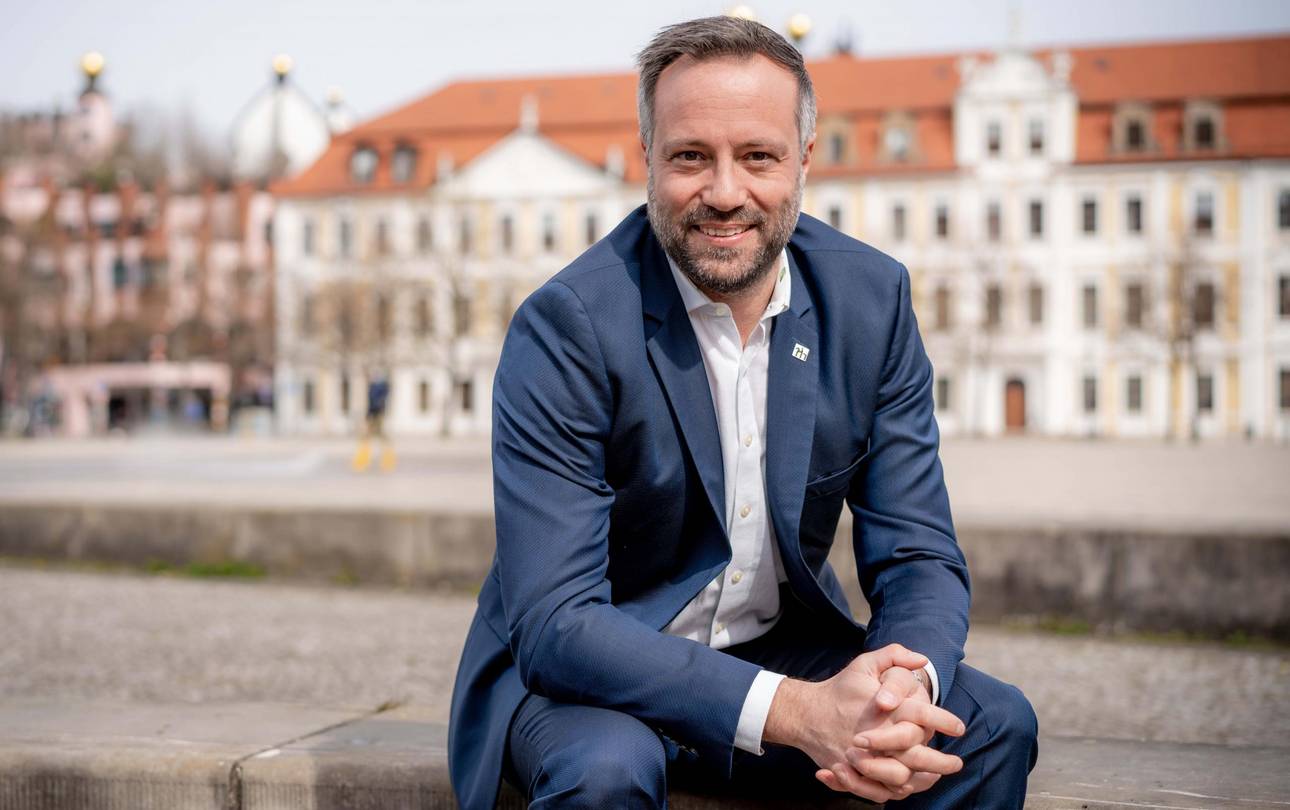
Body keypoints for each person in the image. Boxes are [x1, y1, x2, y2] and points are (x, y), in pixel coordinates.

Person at [449, 16, 1037, 809]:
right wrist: (797, 712)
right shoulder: (568, 325)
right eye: (691, 156)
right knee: (606, 773)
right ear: (647, 159)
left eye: (757, 157)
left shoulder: (872, 302)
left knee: (991, 724)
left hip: (776, 647)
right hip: (595, 681)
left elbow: (920, 554)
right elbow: (558, 623)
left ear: (804, 160)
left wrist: (898, 689)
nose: (725, 193)